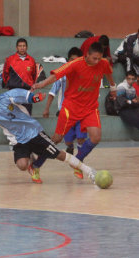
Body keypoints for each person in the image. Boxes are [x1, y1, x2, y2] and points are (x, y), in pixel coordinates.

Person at [0, 86, 97, 185]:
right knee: (22, 166)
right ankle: (32, 161)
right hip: (18, 140)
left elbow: (25, 96)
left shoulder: (7, 97)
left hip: (34, 132)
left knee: (60, 155)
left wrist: (35, 98)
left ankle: (89, 171)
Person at [33, 42, 117, 179]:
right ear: (87, 55)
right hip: (71, 107)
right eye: (94, 58)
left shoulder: (103, 63)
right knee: (56, 139)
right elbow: (56, 76)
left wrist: (113, 88)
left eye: (99, 58)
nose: (97, 61)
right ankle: (36, 165)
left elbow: (108, 73)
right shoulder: (75, 64)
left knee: (96, 137)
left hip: (90, 107)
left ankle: (77, 162)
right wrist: (42, 84)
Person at [43, 47, 87, 175]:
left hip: (81, 113)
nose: (74, 62)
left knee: (81, 139)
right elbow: (52, 93)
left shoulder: (84, 76)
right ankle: (70, 147)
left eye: (77, 60)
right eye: (71, 60)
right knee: (67, 140)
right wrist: (46, 109)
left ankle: (79, 164)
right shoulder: (62, 76)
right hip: (66, 113)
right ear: (68, 61)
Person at [3, 38, 36, 114]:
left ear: (27, 47)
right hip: (13, 91)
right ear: (16, 47)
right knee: (13, 115)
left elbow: (34, 75)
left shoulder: (31, 60)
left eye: (24, 46)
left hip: (27, 92)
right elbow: (5, 75)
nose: (22, 48)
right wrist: (10, 85)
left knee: (27, 115)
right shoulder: (10, 59)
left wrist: (30, 86)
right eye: (20, 46)